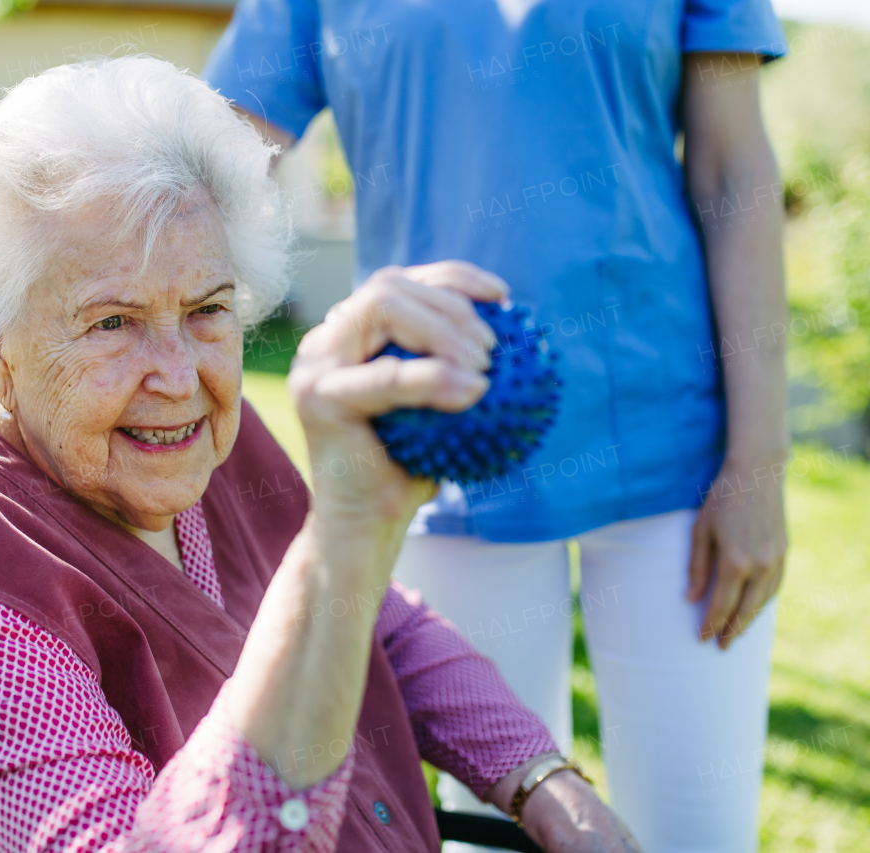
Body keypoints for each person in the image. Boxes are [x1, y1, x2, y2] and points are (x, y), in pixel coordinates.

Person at [0, 57, 644, 853]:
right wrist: (348, 531)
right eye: (113, 323)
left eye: (208, 310)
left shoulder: (197, 440)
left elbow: (380, 624)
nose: (180, 378)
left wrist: (542, 783)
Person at [203, 3, 789, 852]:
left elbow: (735, 174)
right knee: (497, 828)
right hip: (437, 451)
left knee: (699, 834)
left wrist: (760, 462)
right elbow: (213, 156)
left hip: (676, 454)